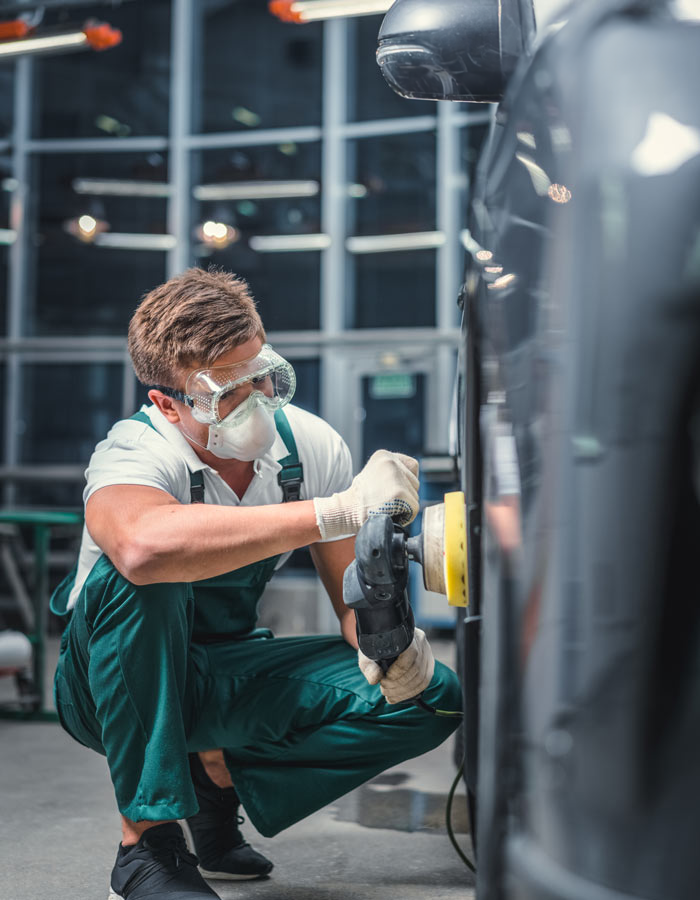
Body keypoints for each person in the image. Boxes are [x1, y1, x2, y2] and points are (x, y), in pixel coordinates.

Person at [51, 268, 462, 900]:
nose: (259, 396)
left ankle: (216, 780)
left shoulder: (309, 447)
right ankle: (149, 847)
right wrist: (332, 511)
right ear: (167, 402)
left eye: (263, 372)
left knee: (438, 699)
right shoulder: (133, 453)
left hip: (222, 670)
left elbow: (351, 598)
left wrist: (389, 647)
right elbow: (138, 546)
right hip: (108, 689)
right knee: (144, 575)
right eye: (227, 389)